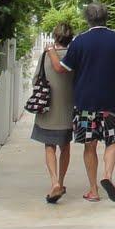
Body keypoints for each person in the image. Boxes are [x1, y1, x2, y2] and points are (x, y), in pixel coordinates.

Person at [57, 1, 115, 203]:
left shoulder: (79, 42)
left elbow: (63, 69)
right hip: (111, 101)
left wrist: (51, 52)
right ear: (106, 17)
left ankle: (93, 190)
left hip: (85, 102)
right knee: (113, 140)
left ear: (88, 19)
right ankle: (107, 175)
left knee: (89, 145)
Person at [31, 23, 76, 203]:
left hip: (48, 109)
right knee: (65, 146)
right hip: (67, 109)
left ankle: (54, 182)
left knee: (49, 146)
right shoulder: (74, 58)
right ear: (70, 38)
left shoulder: (45, 56)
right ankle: (62, 182)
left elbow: (36, 80)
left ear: (55, 37)